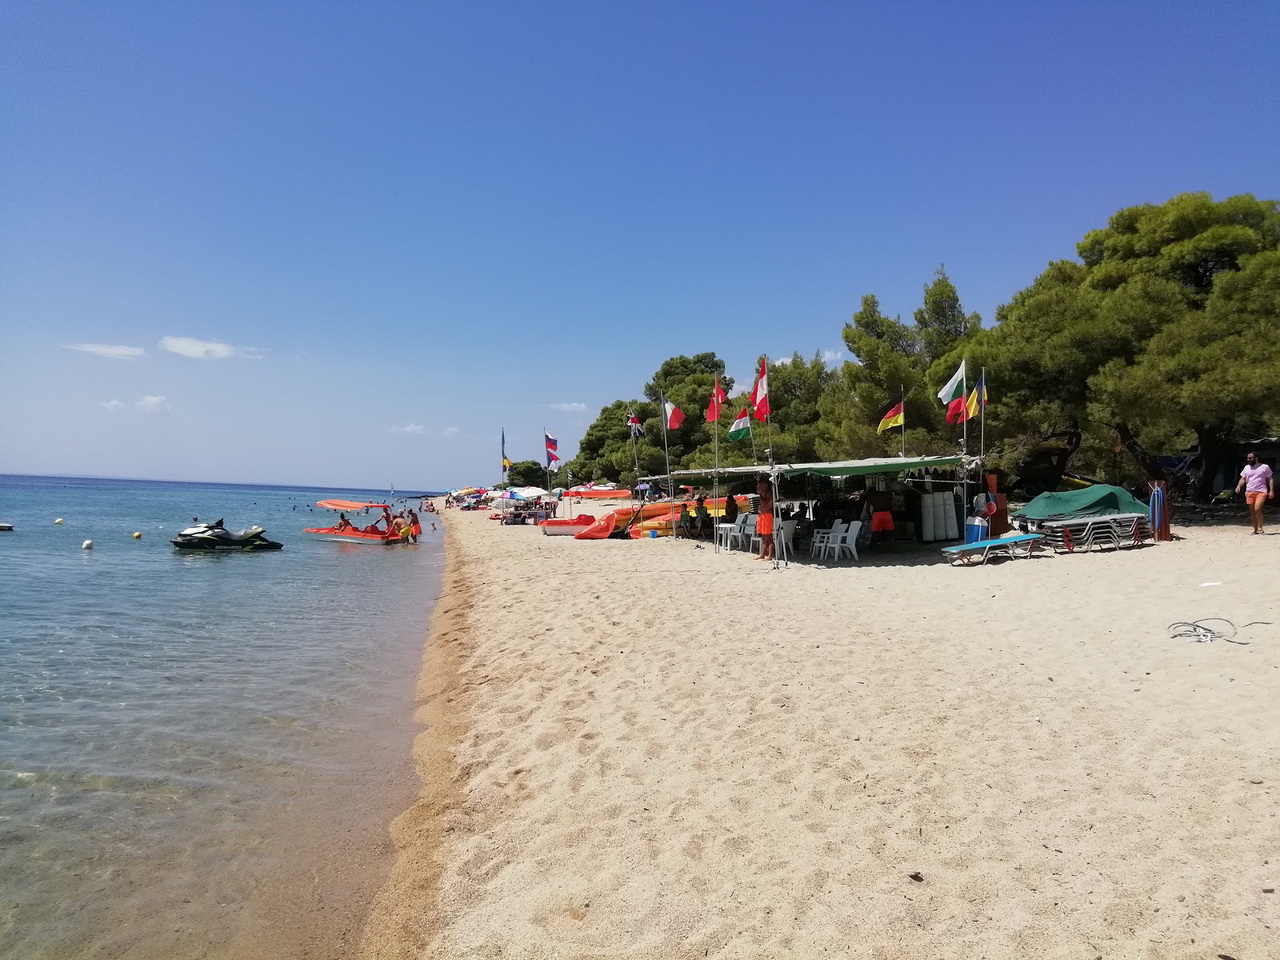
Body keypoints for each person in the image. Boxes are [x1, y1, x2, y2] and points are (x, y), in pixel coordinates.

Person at [1235, 452, 1275, 535]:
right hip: (1249, 491)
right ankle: (1255, 529)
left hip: (1261, 491)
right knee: (1252, 511)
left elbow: (1270, 479)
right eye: (1248, 458)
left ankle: (1260, 527)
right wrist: (1239, 486)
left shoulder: (1264, 467)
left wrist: (1271, 491)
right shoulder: (1246, 468)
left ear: (1256, 458)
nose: (1248, 460)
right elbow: (1243, 478)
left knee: (1257, 508)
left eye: (1250, 458)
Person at [755, 475, 775, 561]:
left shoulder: (769, 493)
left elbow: (766, 501)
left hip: (767, 516)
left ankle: (770, 555)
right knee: (763, 536)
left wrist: (761, 493)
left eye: (760, 485)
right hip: (762, 516)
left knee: (768, 537)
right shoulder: (763, 493)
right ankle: (762, 554)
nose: (758, 487)